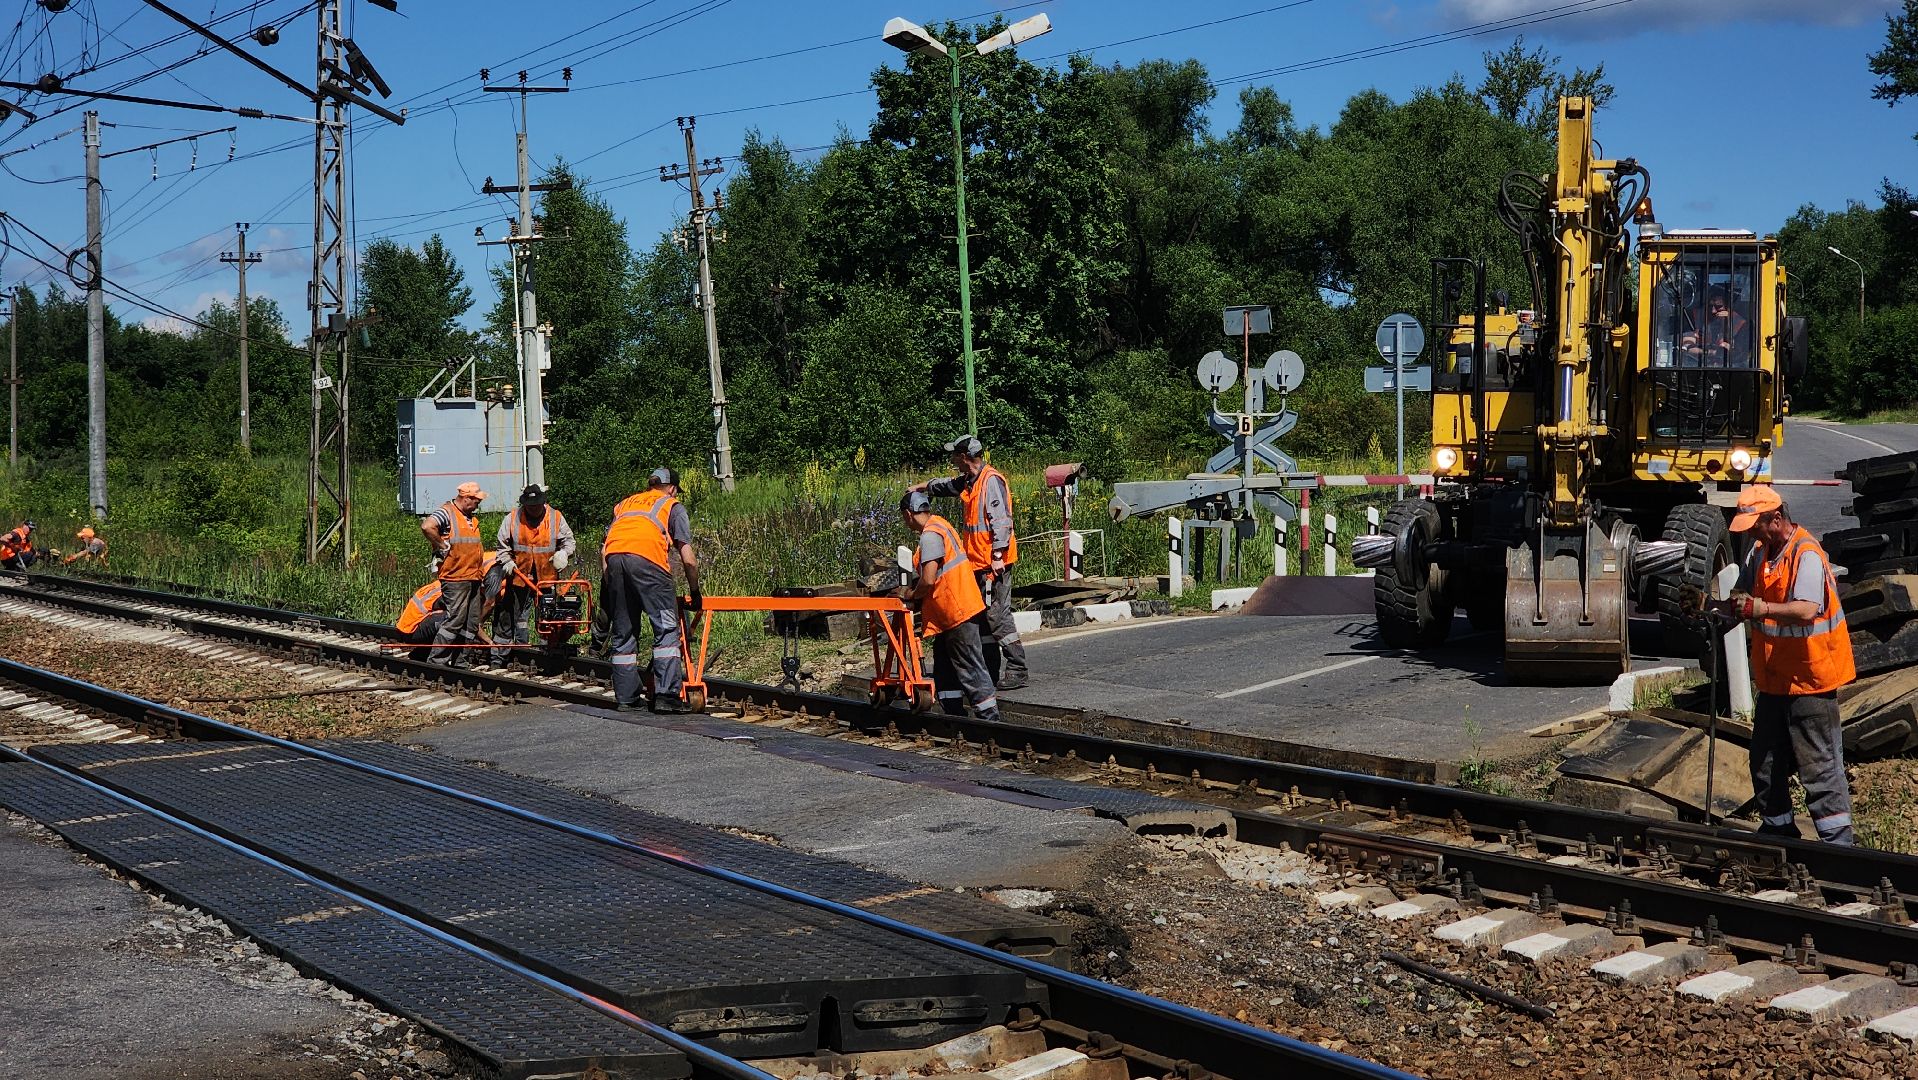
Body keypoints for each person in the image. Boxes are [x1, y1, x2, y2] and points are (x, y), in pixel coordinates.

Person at [1716, 486, 1857, 845]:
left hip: (1811, 680)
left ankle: (1839, 847)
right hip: (1776, 681)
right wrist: (1707, 607)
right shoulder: (1760, 555)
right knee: (1764, 762)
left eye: (1755, 525)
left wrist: (1758, 609)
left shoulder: (1806, 553)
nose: (1749, 533)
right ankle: (1778, 833)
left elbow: (1806, 609)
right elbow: (1740, 602)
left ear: (1776, 519)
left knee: (1820, 768)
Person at [911, 435, 1028, 690]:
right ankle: (988, 667)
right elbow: (946, 486)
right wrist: (921, 487)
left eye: (955, 455)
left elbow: (1001, 522)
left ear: (964, 457)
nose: (952, 460)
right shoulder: (970, 481)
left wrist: (997, 557)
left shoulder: (990, 481)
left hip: (994, 563)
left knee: (997, 615)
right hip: (978, 563)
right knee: (983, 617)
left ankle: (1018, 667)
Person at [603, 468, 700, 712]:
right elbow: (688, 558)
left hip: (614, 561)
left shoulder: (624, 504)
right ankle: (667, 696)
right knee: (666, 629)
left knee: (623, 631)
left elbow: (604, 550)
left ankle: (626, 698)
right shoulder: (671, 505)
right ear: (673, 488)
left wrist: (611, 583)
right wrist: (695, 591)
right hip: (649, 563)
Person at [900, 490, 1000, 722]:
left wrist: (912, 594)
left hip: (956, 611)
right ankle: (952, 711)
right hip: (950, 613)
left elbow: (928, 579)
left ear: (908, 513)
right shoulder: (941, 525)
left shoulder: (930, 535)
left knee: (969, 665)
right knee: (945, 663)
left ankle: (990, 718)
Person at [492, 484, 578, 664]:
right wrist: (507, 561)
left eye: (536, 505)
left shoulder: (555, 517)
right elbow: (502, 545)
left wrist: (564, 553)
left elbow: (569, 541)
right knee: (516, 617)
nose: (533, 509)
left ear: (543, 502)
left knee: (548, 617)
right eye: (530, 506)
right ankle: (517, 652)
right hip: (519, 577)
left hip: (547, 578)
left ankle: (546, 654)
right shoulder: (513, 518)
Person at [420, 481, 487, 667]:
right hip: (455, 577)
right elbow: (427, 526)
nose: (478, 505)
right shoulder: (447, 512)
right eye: (476, 501)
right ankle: (437, 661)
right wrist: (441, 545)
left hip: (473, 576)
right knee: (455, 619)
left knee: (471, 623)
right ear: (466, 499)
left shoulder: (469, 517)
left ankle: (461, 661)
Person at [1697, 288, 1751, 367]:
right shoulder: (1704, 323)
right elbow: (1689, 347)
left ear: (1729, 307)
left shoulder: (1742, 325)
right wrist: (1713, 352)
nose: (1713, 311)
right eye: (1710, 306)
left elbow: (1743, 356)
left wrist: (1726, 321)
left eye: (1718, 306)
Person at [394, 579, 446, 660]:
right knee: (449, 618)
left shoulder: (437, 585)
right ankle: (437, 657)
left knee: (441, 617)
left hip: (407, 629)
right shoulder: (444, 593)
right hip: (411, 631)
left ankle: (421, 653)